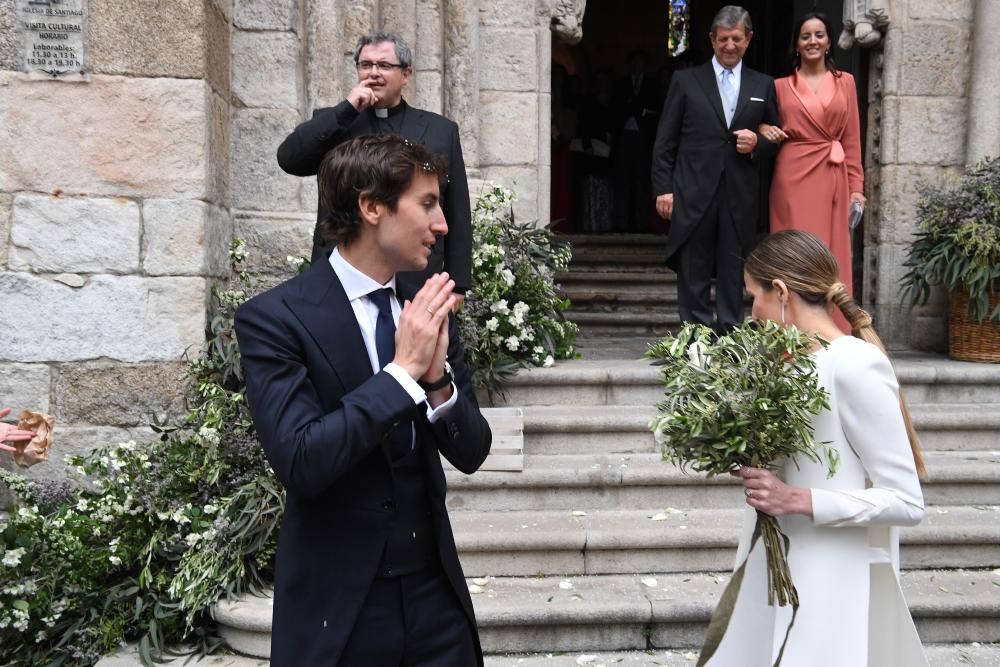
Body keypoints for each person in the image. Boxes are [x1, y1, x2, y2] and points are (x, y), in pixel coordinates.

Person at [236, 135, 492, 666]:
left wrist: (438, 379)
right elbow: (302, 461)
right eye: (426, 204)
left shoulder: (425, 305)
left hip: (434, 600)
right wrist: (401, 374)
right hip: (341, 609)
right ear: (372, 207)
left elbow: (473, 451)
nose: (442, 223)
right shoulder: (276, 319)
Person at [708, 230, 928, 666]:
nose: (752, 313)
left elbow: (906, 501)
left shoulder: (855, 364)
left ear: (782, 292)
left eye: (754, 296)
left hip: (828, 571)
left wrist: (797, 499)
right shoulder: (786, 361)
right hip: (770, 562)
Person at [277, 30, 472, 308]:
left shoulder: (440, 130)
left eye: (384, 65)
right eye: (365, 65)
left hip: (416, 277)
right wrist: (346, 109)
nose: (374, 73)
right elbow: (289, 159)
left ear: (406, 75)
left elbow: (457, 208)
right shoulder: (335, 123)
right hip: (342, 272)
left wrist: (458, 283)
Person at [652, 5, 780, 333]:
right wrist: (663, 188)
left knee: (732, 267)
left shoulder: (763, 84)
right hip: (692, 189)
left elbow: (775, 137)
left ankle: (729, 332)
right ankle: (695, 334)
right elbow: (665, 141)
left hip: (739, 192)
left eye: (736, 38)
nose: (729, 46)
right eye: (723, 39)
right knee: (693, 265)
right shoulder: (685, 81)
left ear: (748, 39)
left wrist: (758, 144)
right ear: (712, 40)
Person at [758, 12, 865, 333]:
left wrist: (857, 187)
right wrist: (764, 128)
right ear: (797, 44)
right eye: (806, 36)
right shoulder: (779, 86)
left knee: (829, 254)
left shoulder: (846, 82)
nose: (813, 41)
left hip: (833, 175)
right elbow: (760, 122)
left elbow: (852, 140)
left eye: (819, 35)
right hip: (792, 175)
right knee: (793, 252)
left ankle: (833, 332)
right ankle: (790, 331)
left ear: (829, 41)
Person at [612, 50, 660, 232]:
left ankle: (642, 224)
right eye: (634, 62)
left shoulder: (652, 85)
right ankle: (621, 224)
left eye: (640, 62)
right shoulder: (621, 85)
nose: (637, 66)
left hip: (644, 138)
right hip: (624, 136)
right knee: (623, 181)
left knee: (643, 181)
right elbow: (615, 109)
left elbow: (656, 110)